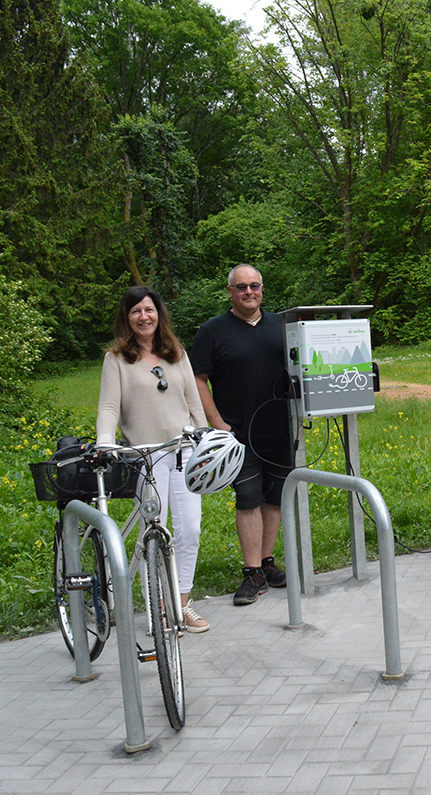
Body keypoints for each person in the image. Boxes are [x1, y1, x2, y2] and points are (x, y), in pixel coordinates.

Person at [96, 286, 211, 632]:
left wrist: (204, 440)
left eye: (149, 310)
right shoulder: (116, 359)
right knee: (154, 532)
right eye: (136, 312)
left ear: (158, 313)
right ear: (127, 318)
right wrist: (105, 441)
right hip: (146, 457)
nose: (143, 317)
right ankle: (159, 607)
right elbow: (109, 407)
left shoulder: (176, 353)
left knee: (189, 530)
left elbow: (194, 402)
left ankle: (183, 602)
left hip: (184, 452)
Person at [192, 264, 292, 606]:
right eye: (241, 287)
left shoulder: (283, 326)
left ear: (263, 289)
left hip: (282, 431)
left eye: (255, 286)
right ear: (230, 292)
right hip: (237, 435)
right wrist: (217, 422)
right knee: (248, 500)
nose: (249, 292)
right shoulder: (212, 332)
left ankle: (267, 563)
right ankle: (252, 573)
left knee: (274, 499)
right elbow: (198, 379)